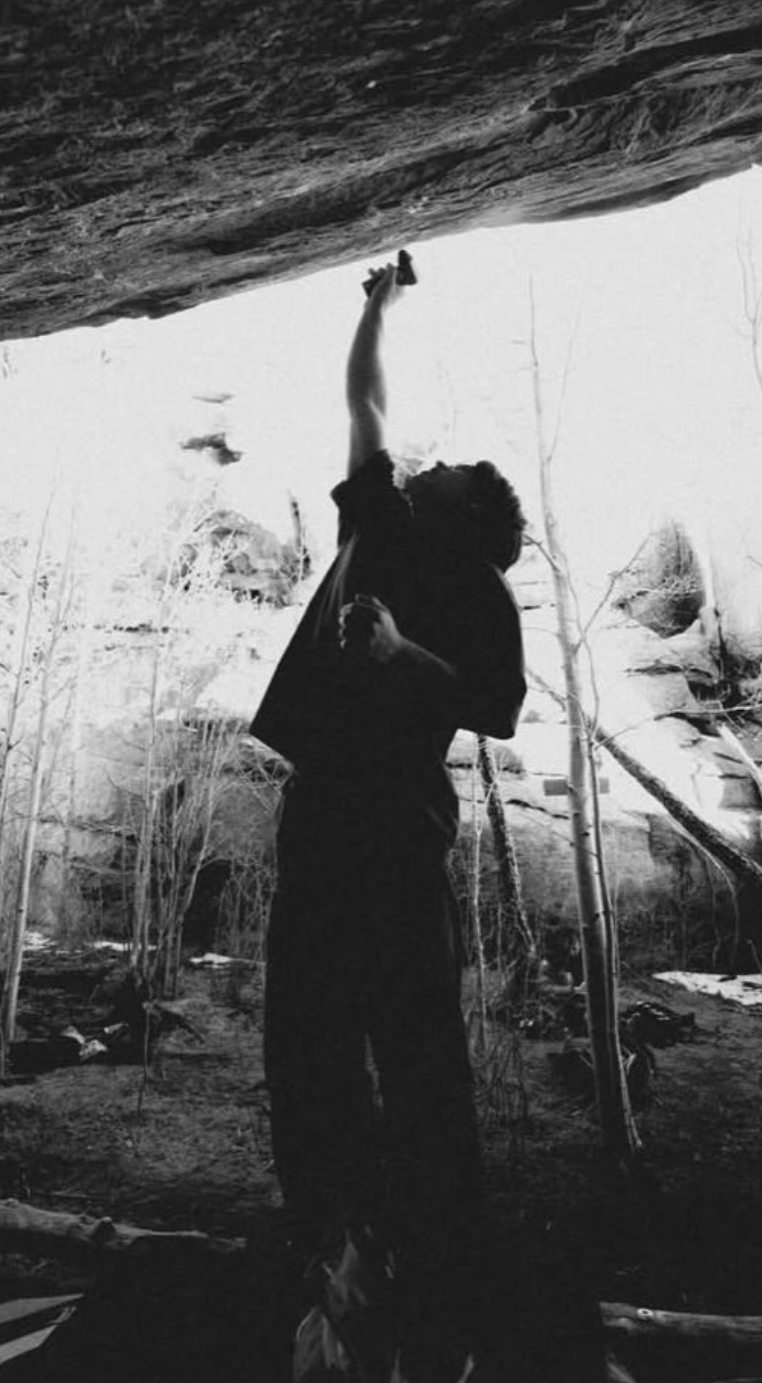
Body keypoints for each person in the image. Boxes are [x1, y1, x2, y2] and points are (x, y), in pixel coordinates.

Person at [250, 260, 527, 1379]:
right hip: (320, 810)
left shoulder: (480, 590)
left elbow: (497, 707)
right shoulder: (379, 511)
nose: (428, 466)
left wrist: (403, 654)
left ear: (472, 518)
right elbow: (364, 398)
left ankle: (443, 1276)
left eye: (447, 474)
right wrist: (377, 307)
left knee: (417, 1056)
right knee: (304, 1039)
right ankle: (336, 1251)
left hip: (400, 829)